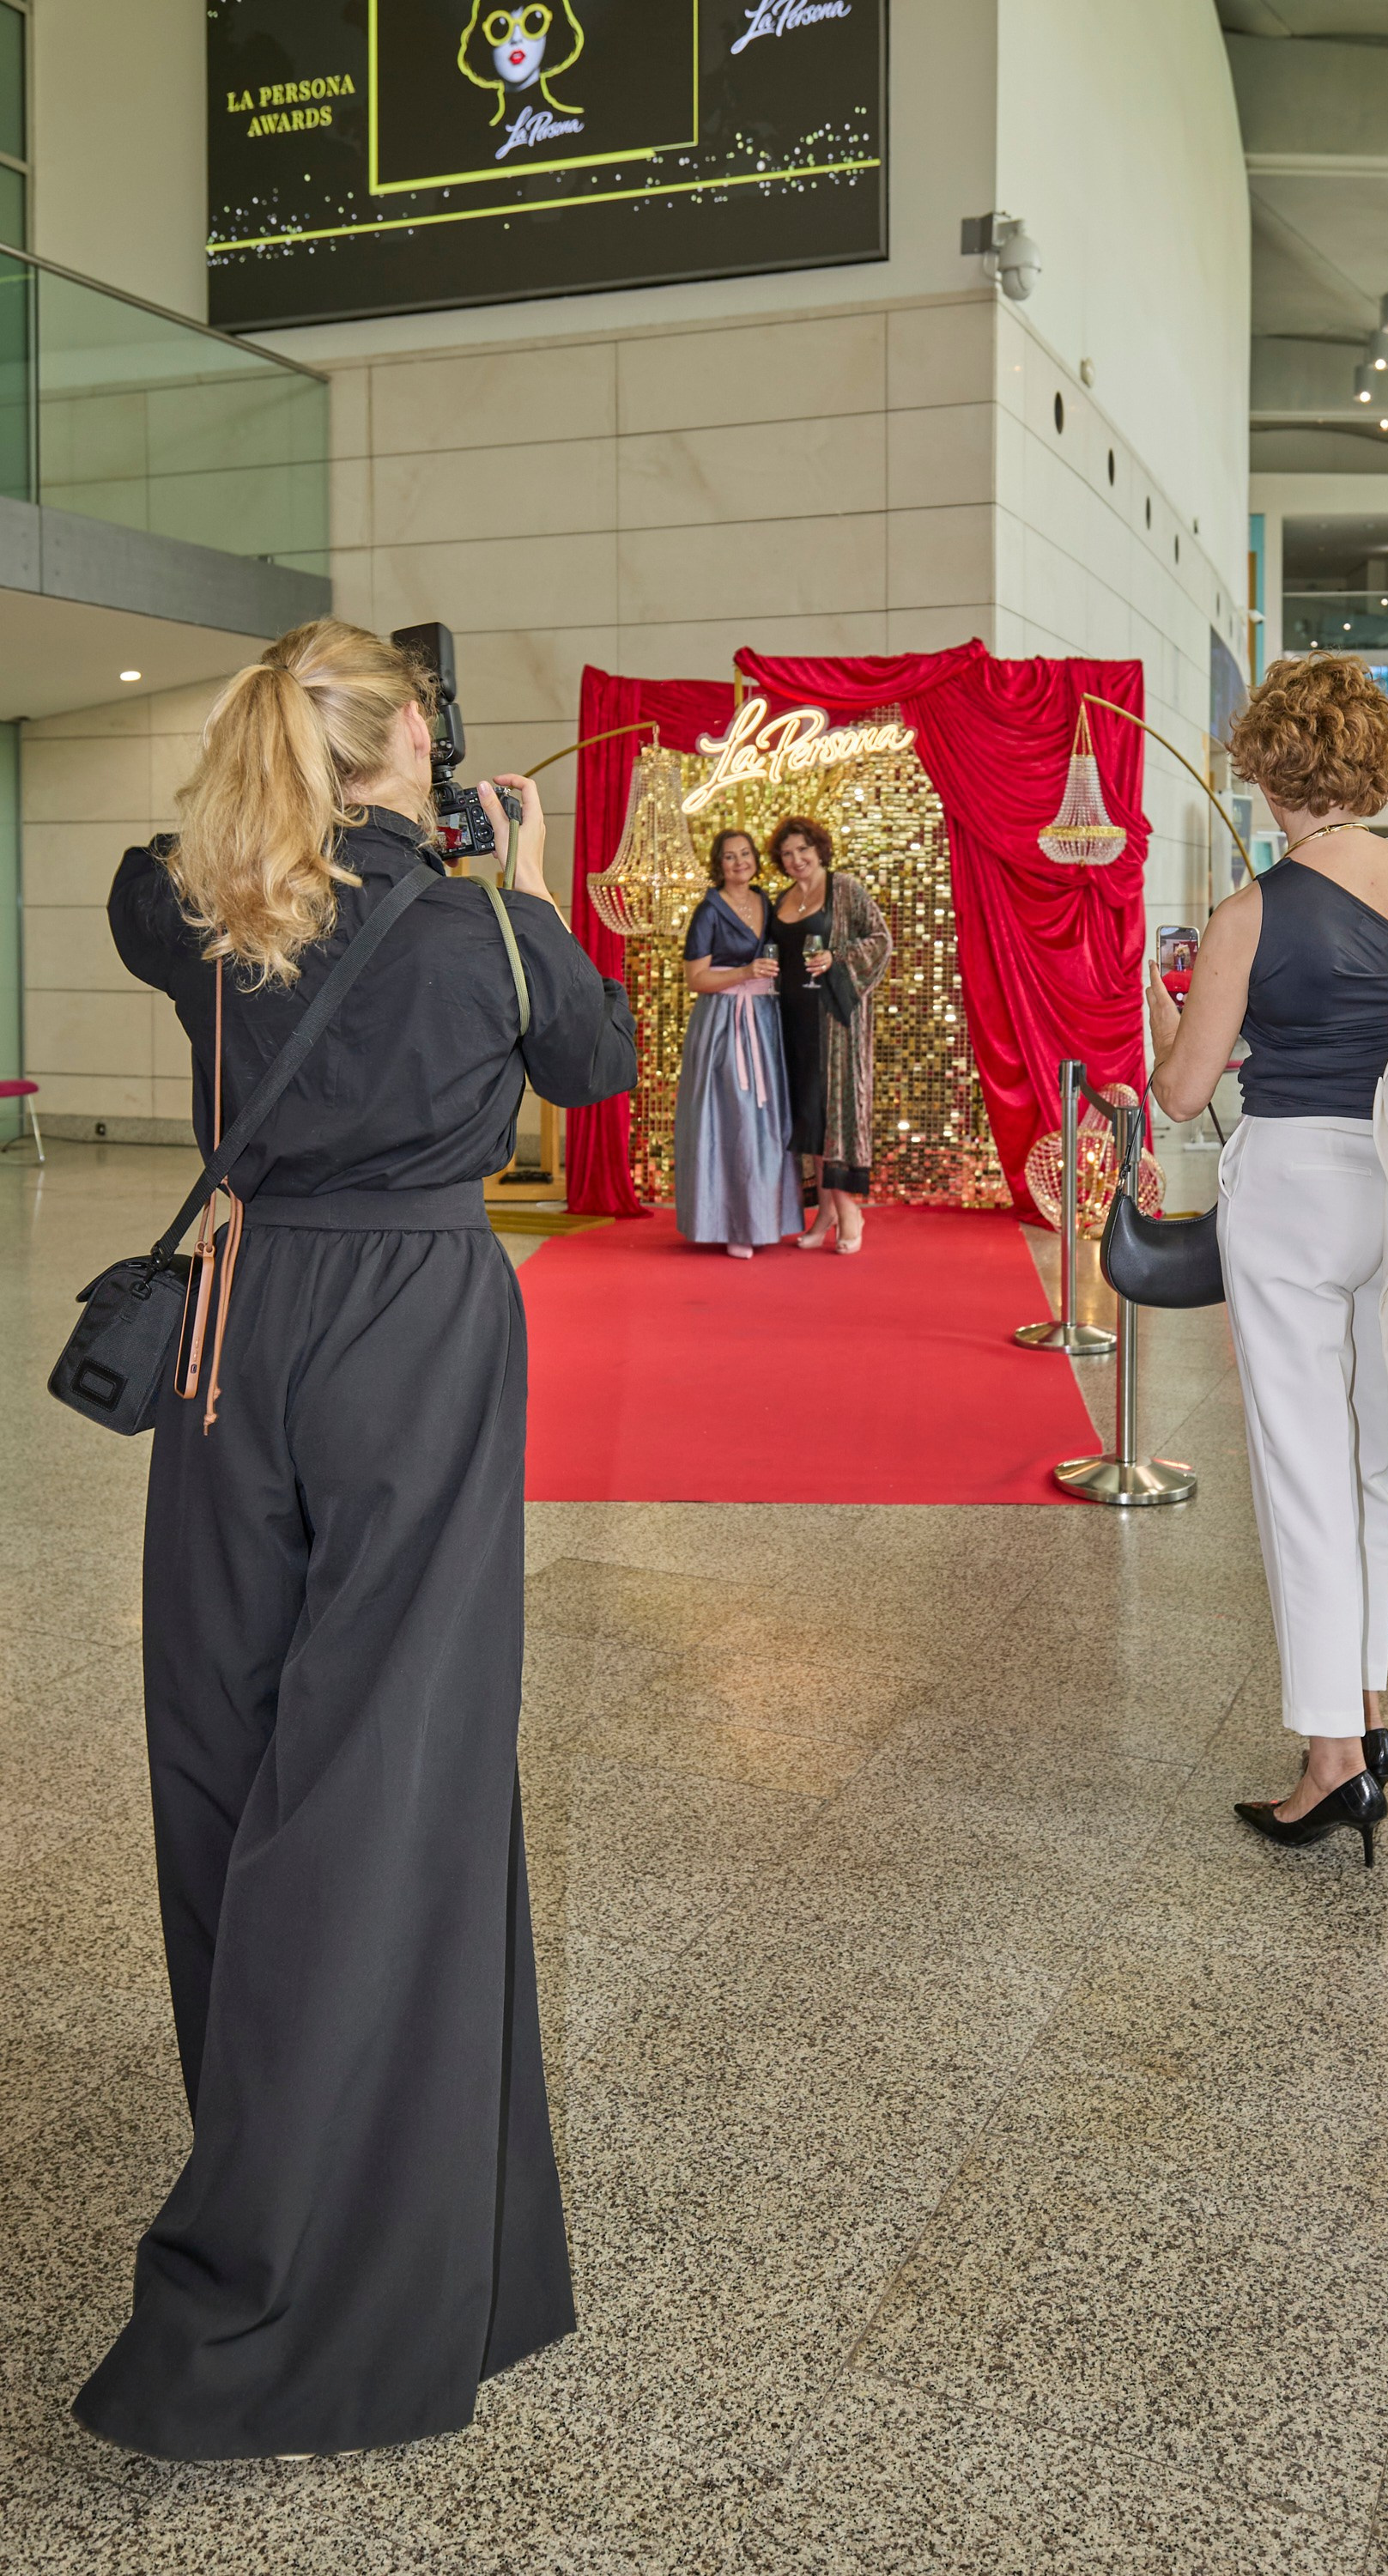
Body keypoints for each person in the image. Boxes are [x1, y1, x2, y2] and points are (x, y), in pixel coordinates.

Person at [80, 620, 636, 2462]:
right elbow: (596, 1055)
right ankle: (343, 2256)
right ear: (413, 740)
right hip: (414, 1329)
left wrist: (286, 817)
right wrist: (523, 870)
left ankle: (267, 2169)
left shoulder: (216, 918)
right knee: (387, 1777)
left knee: (231, 1764)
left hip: (240, 1342)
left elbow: (131, 892)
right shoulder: (480, 922)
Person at [1147, 656, 1388, 1866]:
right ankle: (1363, 1715)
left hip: (1293, 1193)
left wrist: (1160, 1006)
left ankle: (1329, 1763)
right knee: (1364, 1464)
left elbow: (1181, 1092)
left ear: (1271, 768)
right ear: (1374, 761)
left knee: (1300, 1474)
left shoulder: (1251, 912)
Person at [768, 815, 892, 1255]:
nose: (796, 859)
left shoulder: (845, 889)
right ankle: (824, 1211)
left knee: (831, 1115)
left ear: (819, 849)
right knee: (808, 1118)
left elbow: (881, 940)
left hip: (834, 1022)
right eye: (787, 853)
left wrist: (836, 957)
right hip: (790, 1023)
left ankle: (848, 1208)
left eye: (803, 849)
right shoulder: (781, 899)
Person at [674, 829, 799, 1259]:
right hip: (725, 1024)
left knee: (767, 1123)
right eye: (729, 857)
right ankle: (733, 1223)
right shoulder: (708, 910)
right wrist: (745, 972)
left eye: (745, 854)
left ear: (755, 860)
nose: (739, 862)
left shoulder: (769, 902)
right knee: (733, 1119)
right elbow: (696, 978)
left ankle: (767, 1218)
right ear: (719, 864)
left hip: (765, 1022)